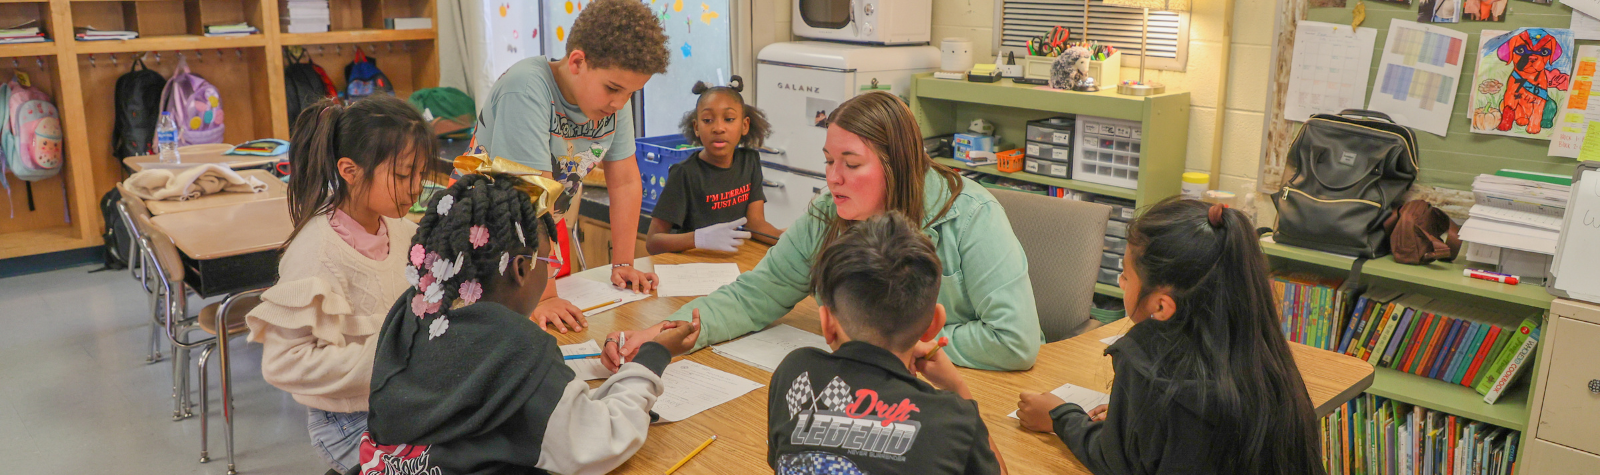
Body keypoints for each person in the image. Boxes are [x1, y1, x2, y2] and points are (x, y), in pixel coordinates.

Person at [604, 91, 1041, 371]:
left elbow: (1013, 341)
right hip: (872, 379)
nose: (833, 178)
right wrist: (662, 334)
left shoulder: (970, 216)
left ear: (899, 165)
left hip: (958, 389)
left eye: (850, 164)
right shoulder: (827, 214)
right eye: (828, 161)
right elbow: (756, 294)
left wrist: (890, 346)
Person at [358, 172, 702, 475]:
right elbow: (599, 443)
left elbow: (540, 411)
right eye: (550, 260)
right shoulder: (514, 346)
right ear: (521, 268)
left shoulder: (413, 311)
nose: (551, 269)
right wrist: (653, 357)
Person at [1014, 199, 1325, 475]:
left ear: (1161, 305)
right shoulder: (1263, 349)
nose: (1121, 283)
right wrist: (1136, 415)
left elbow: (1117, 462)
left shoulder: (1145, 358)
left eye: (1126, 275)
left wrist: (1060, 416)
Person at [243, 96, 434, 473]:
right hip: (349, 424)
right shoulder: (316, 252)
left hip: (403, 401)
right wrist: (394, 361)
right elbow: (284, 362)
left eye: (420, 174)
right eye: (402, 175)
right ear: (349, 170)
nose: (415, 189)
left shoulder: (401, 230)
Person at [472, 0, 669, 333]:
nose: (620, 104)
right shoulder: (527, 88)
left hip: (536, 244)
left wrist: (622, 263)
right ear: (578, 61)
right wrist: (544, 295)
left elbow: (623, 182)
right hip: (484, 240)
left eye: (631, 94)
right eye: (613, 89)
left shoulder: (613, 105)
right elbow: (530, 197)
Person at [770, 211, 1007, 474]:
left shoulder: (795, 371)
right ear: (933, 326)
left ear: (827, 323)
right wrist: (957, 387)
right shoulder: (951, 418)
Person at [645, 76, 783, 254]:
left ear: (745, 125)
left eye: (729, 119)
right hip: (692, 264)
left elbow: (755, 223)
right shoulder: (684, 173)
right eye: (708, 120)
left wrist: (785, 241)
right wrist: (698, 238)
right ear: (696, 127)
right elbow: (653, 242)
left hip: (732, 259)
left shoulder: (749, 161)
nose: (718, 128)